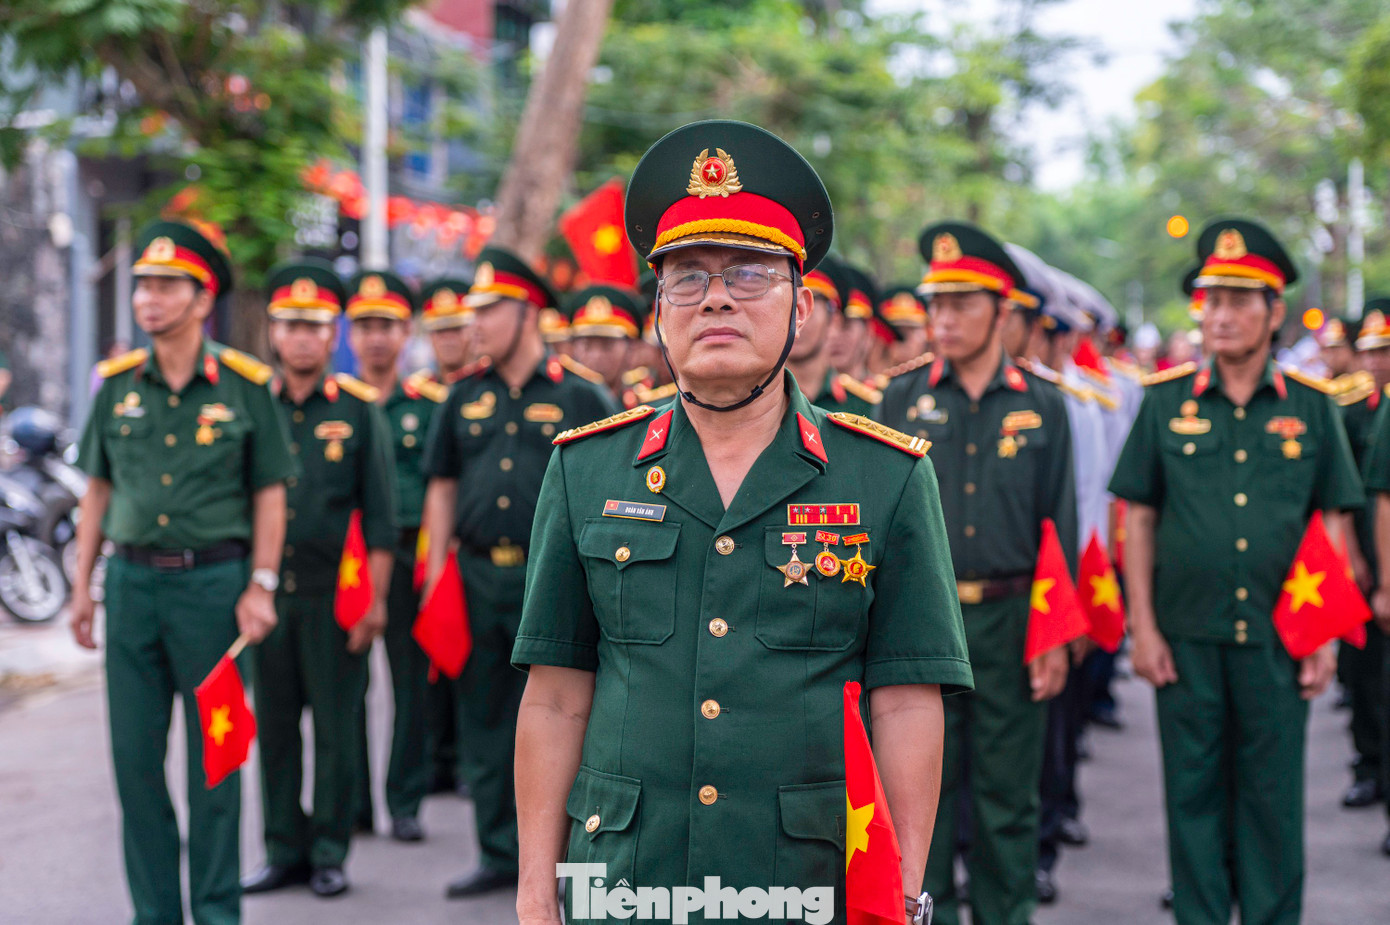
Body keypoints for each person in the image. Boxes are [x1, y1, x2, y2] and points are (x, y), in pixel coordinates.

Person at [510, 120, 970, 925]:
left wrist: (903, 892)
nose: (716, 296)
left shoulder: (886, 475)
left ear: (803, 308)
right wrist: (533, 887)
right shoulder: (585, 468)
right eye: (686, 277)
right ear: (657, 308)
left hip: (809, 879)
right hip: (622, 876)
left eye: (751, 273)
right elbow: (554, 696)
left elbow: (905, 700)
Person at [1109, 218, 1362, 925]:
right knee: (1192, 800)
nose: (1218, 314)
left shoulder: (1312, 408)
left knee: (1272, 802)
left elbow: (1334, 521)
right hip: (1186, 638)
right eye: (1209, 299)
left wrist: (1327, 636)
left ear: (1274, 310)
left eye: (1238, 300)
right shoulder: (1164, 402)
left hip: (1280, 640)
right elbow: (1138, 518)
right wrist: (1144, 629)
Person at [70, 219, 295, 925]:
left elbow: (270, 492)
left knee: (217, 769)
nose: (149, 298)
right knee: (136, 768)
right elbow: (97, 493)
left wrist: (260, 586)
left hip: (214, 591)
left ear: (203, 300)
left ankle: (218, 912)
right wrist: (82, 586)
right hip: (132, 589)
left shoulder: (246, 385)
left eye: (167, 285)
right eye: (143, 285)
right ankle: (155, 914)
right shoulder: (114, 386)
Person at [877, 220, 1074, 925]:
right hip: (922, 624)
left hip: (1011, 616)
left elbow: (1060, 524)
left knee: (1006, 800)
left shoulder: (1043, 403)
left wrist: (1054, 636)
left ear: (1003, 310)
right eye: (936, 302)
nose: (943, 318)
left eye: (961, 302)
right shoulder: (899, 399)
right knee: (917, 796)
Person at [420, 245, 619, 899]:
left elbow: (604, 491)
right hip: (478, 574)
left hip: (554, 579)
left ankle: (562, 856)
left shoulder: (580, 393)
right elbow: (443, 486)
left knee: (563, 713)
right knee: (483, 715)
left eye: (490, 310)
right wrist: (435, 569)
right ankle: (498, 851)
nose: (475, 323)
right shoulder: (463, 395)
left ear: (527, 311)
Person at [240, 263, 398, 899]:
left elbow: (382, 517)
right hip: (268, 597)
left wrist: (377, 602)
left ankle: (330, 851)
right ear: (274, 333)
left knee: (336, 731)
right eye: (291, 326)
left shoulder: (358, 413)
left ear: (331, 335)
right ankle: (283, 849)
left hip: (339, 597)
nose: (302, 338)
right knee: (274, 730)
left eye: (314, 327)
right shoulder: (252, 407)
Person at [346, 269, 452, 842]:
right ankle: (355, 804)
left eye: (385, 325)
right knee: (348, 684)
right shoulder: (338, 404)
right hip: (351, 564)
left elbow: (442, 487)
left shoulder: (429, 406)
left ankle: (404, 801)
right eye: (364, 326)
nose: (375, 337)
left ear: (406, 332)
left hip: (412, 556)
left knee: (411, 685)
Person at [416, 276, 477, 797]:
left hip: (477, 548)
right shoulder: (424, 394)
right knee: (429, 664)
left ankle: (466, 761)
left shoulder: (476, 392)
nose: (450, 341)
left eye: (457, 329)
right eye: (440, 333)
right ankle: (437, 758)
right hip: (426, 544)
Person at [1339, 303, 1390, 811]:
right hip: (1368, 563)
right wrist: (1354, 559)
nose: (1376, 362)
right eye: (1371, 351)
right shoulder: (1352, 409)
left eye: (1385, 352)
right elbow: (1349, 497)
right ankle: (1369, 766)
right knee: (1366, 673)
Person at [786, 255, 882, 415]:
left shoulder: (865, 408)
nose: (797, 318)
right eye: (789, 304)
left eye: (807, 307)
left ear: (834, 322)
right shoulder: (754, 404)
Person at [563, 284, 649, 400]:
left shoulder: (645, 409)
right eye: (587, 345)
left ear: (631, 348)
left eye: (607, 346)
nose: (596, 356)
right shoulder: (562, 405)